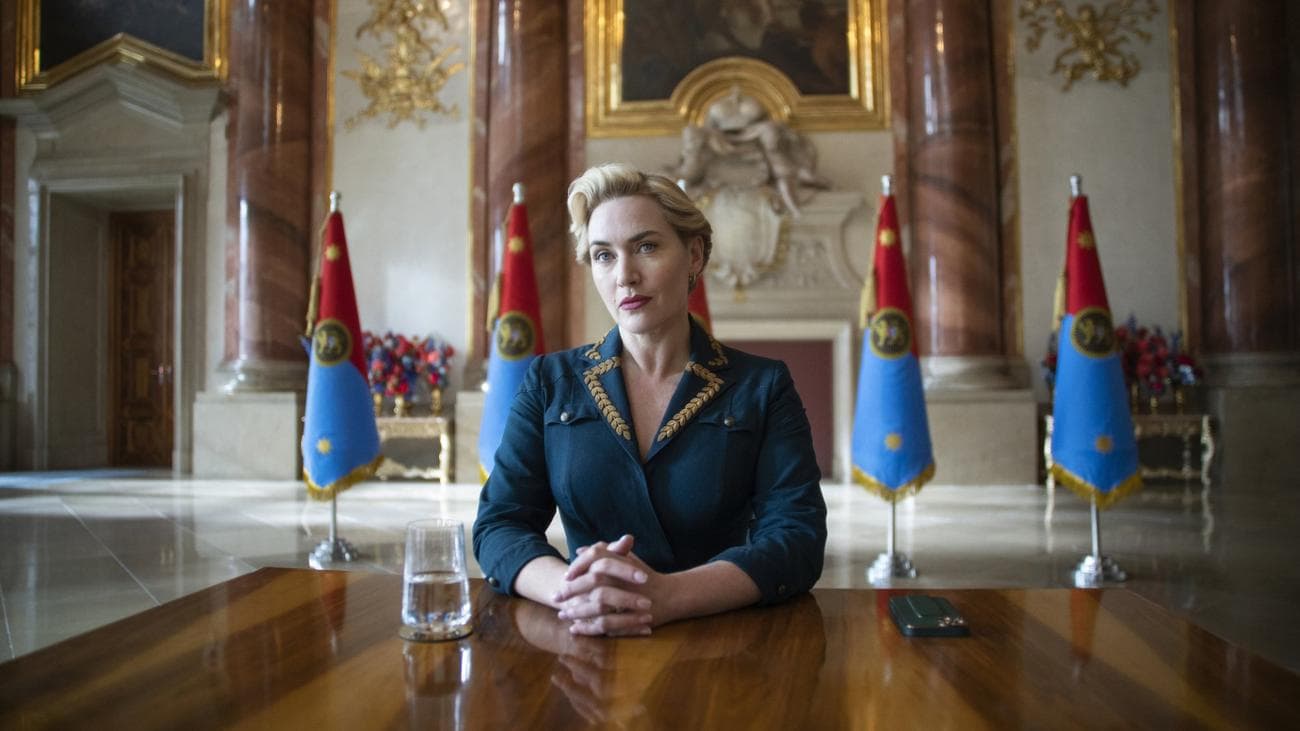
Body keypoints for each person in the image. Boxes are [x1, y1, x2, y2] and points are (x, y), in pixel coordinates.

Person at [472, 163, 826, 637]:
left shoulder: (762, 385)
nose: (625, 275)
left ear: (694, 255)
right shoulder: (550, 381)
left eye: (646, 246)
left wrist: (669, 597)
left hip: (722, 642)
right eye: (603, 256)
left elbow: (796, 539)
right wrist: (575, 591)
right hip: (584, 634)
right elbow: (500, 525)